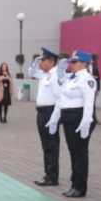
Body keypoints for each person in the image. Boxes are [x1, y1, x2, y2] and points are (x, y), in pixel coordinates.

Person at [46, 50, 96, 198]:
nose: (71, 64)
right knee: (73, 153)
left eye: (74, 62)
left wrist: (86, 121)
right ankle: (74, 184)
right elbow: (61, 98)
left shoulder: (87, 79)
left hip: (79, 117)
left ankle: (80, 187)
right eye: (71, 62)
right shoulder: (70, 78)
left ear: (84, 64)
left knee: (80, 153)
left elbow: (89, 102)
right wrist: (55, 118)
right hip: (68, 118)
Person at [29, 48, 65, 187]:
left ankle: (52, 176)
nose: (41, 63)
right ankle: (48, 174)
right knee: (46, 145)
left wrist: (54, 119)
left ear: (51, 61)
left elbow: (59, 98)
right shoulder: (46, 74)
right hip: (42, 113)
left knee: (51, 145)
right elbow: (31, 72)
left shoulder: (55, 76)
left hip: (50, 113)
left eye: (43, 60)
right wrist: (35, 62)